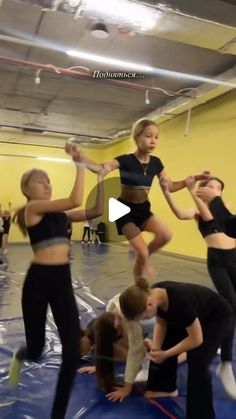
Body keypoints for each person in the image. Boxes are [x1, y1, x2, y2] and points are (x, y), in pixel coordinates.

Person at [9, 143, 105, 419]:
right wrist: (80, 162)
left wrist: (98, 175)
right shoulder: (33, 209)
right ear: (28, 190)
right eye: (41, 181)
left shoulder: (60, 216)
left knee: (72, 352)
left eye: (49, 180)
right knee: (37, 350)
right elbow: (74, 200)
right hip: (38, 283)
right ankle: (21, 354)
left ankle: (58, 415)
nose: (48, 184)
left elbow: (95, 209)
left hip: (62, 282)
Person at [80, 118, 210, 280]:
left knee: (165, 234)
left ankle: (143, 257)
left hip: (143, 209)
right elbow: (101, 168)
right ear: (136, 138)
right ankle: (139, 281)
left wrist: (191, 179)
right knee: (141, 251)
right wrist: (82, 159)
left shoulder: (156, 163)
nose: (153, 141)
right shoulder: (125, 160)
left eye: (156, 137)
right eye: (148, 136)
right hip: (123, 210)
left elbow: (170, 186)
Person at [159, 175, 236, 398]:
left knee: (233, 309)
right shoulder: (197, 210)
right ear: (203, 190)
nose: (215, 190)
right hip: (218, 261)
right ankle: (225, 365)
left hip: (234, 259)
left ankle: (210, 341)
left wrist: (198, 191)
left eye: (218, 188)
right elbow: (182, 214)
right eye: (210, 186)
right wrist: (168, 191)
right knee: (230, 305)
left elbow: (226, 222)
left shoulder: (226, 208)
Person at [118, 278, 234, 419]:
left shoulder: (180, 301)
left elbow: (196, 339)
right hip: (195, 317)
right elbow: (161, 324)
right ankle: (165, 388)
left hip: (218, 317)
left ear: (149, 304)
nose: (144, 320)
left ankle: (202, 415)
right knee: (163, 343)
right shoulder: (155, 295)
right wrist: (156, 349)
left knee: (198, 361)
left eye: (144, 317)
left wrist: (166, 354)